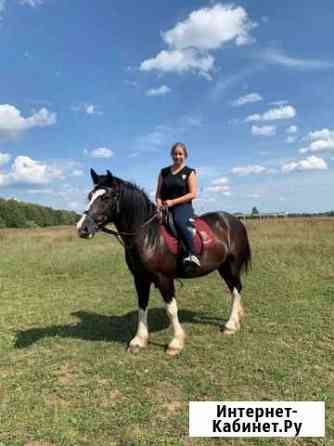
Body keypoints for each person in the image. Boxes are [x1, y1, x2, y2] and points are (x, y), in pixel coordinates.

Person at [155, 142, 200, 268]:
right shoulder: (163, 172)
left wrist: (173, 202)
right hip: (164, 206)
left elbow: (192, 194)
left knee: (179, 221)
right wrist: (158, 204)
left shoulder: (190, 172)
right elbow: (158, 193)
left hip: (183, 207)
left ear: (185, 155)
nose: (177, 156)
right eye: (175, 154)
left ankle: (192, 253)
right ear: (171, 155)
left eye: (180, 154)